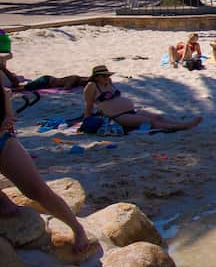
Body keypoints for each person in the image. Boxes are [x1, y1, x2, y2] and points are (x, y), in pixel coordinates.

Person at [1, 85, 92, 253]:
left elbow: (5, 92)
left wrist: (8, 115)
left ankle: (77, 228)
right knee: (7, 209)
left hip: (3, 139)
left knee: (38, 191)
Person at [82, 65, 202, 132]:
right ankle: (182, 127)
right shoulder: (92, 86)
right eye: (104, 76)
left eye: (108, 75)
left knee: (157, 116)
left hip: (130, 110)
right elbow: (89, 104)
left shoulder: (109, 83)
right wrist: (87, 119)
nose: (107, 77)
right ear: (96, 77)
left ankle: (182, 123)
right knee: (150, 122)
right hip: (118, 116)